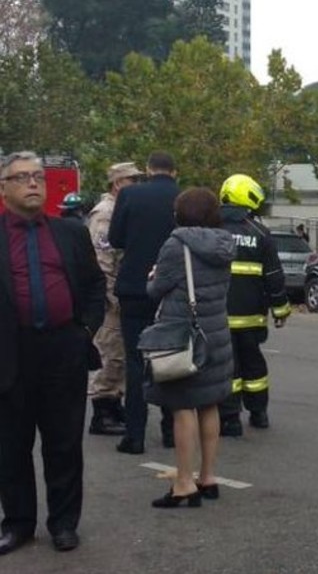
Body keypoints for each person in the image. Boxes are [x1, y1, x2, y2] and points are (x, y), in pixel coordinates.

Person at [0, 152, 106, 554]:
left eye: (38, 177)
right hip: (10, 352)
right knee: (11, 446)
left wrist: (85, 332)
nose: (33, 184)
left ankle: (63, 523)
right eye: (22, 177)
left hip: (64, 350)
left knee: (63, 444)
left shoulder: (70, 233)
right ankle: (18, 524)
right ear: (4, 188)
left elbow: (96, 286)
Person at [143, 188, 235, 508]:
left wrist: (152, 277)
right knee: (209, 404)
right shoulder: (225, 244)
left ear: (179, 215)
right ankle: (208, 477)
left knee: (183, 407)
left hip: (185, 336)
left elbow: (157, 289)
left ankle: (183, 483)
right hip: (216, 333)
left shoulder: (176, 244)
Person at [108, 151, 181, 454]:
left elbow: (115, 239)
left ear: (149, 170)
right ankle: (170, 430)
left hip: (135, 287)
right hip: (171, 289)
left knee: (136, 361)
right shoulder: (183, 198)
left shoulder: (130, 196)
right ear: (174, 172)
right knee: (170, 359)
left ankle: (135, 435)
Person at [216, 174, 291, 436]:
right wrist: (280, 310)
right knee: (253, 364)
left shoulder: (211, 230)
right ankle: (259, 413)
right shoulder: (260, 233)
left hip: (217, 317)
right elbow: (274, 276)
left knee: (228, 367)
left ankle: (229, 419)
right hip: (251, 317)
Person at [86, 162, 143, 436]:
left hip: (119, 293)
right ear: (118, 183)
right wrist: (110, 297)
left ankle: (114, 403)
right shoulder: (105, 214)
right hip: (111, 298)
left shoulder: (121, 209)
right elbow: (102, 261)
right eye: (133, 180)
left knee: (119, 353)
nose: (138, 185)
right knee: (110, 352)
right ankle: (103, 411)